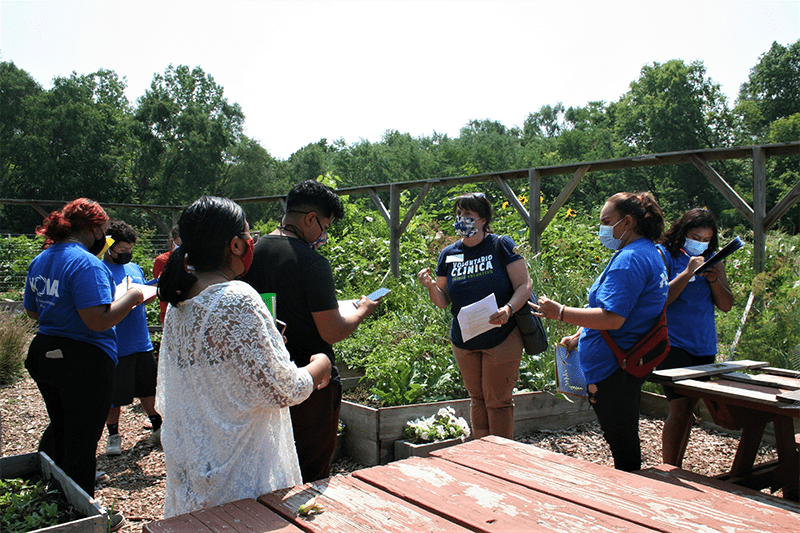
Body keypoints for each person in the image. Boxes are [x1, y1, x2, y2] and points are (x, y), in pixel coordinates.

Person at [156, 195, 331, 517]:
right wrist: (320, 366)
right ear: (236, 245)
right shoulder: (236, 297)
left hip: (198, 465)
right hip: (240, 476)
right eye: (248, 235)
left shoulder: (180, 304)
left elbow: (206, 375)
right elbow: (285, 389)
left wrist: (266, 343)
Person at [242, 179, 380, 483]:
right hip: (309, 384)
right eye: (324, 225)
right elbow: (331, 331)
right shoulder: (311, 263)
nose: (323, 234)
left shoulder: (250, 256)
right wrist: (360, 312)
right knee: (310, 474)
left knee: (268, 473)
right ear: (309, 218)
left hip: (259, 380)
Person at [531, 192, 668, 472]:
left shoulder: (630, 260)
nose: (602, 228)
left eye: (607, 221)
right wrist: (582, 333)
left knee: (621, 439)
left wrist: (560, 312)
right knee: (621, 433)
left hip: (614, 368)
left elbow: (614, 317)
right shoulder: (648, 252)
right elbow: (628, 310)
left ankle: (630, 500)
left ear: (627, 222)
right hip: (622, 362)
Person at [23, 198, 148, 500]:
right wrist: (133, 297)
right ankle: (80, 511)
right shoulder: (86, 264)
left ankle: (50, 492)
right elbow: (98, 320)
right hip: (84, 362)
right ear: (92, 229)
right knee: (83, 439)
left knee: (63, 425)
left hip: (46, 352)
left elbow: (33, 311)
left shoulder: (42, 259)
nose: (104, 240)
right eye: (104, 232)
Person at [418, 192, 532, 439]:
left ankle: (501, 458)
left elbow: (524, 285)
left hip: (501, 335)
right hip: (465, 339)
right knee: (477, 399)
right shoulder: (449, 254)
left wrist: (509, 309)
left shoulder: (500, 245)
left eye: (468, 215)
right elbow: (442, 300)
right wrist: (430, 286)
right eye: (459, 214)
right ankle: (481, 454)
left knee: (498, 401)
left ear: (482, 220)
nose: (461, 220)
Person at [656, 208, 733, 466]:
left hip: (703, 344)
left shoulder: (714, 259)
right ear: (682, 232)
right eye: (695, 236)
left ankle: (676, 464)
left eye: (706, 238)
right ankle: (670, 467)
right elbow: (661, 299)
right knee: (679, 409)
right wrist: (687, 273)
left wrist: (713, 280)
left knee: (689, 410)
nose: (700, 242)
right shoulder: (665, 255)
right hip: (672, 342)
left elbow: (726, 304)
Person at [102, 220, 163, 455]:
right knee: (114, 395)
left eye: (129, 250)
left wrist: (149, 292)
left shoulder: (134, 268)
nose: (126, 255)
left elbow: (141, 295)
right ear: (108, 247)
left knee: (148, 387)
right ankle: (113, 436)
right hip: (116, 343)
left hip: (141, 340)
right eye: (121, 251)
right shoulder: (99, 269)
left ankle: (157, 428)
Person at [152, 225, 181, 324]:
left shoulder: (194, 260)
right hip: (168, 314)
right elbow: (161, 286)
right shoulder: (162, 260)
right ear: (172, 241)